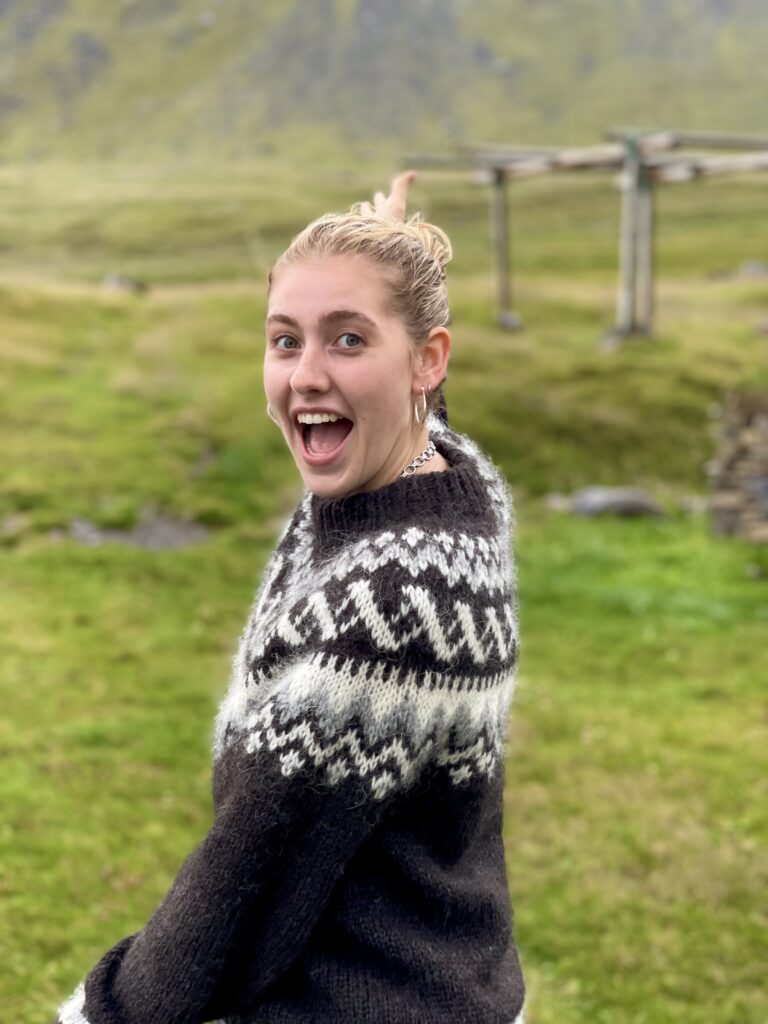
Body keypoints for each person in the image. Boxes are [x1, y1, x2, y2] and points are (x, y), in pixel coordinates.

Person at [55, 172, 526, 1024]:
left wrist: (103, 1013)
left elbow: (248, 878)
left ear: (428, 359)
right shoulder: (448, 482)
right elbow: (422, 410)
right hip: (446, 972)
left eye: (347, 341)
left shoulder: (390, 605)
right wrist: (392, 258)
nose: (307, 375)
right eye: (285, 340)